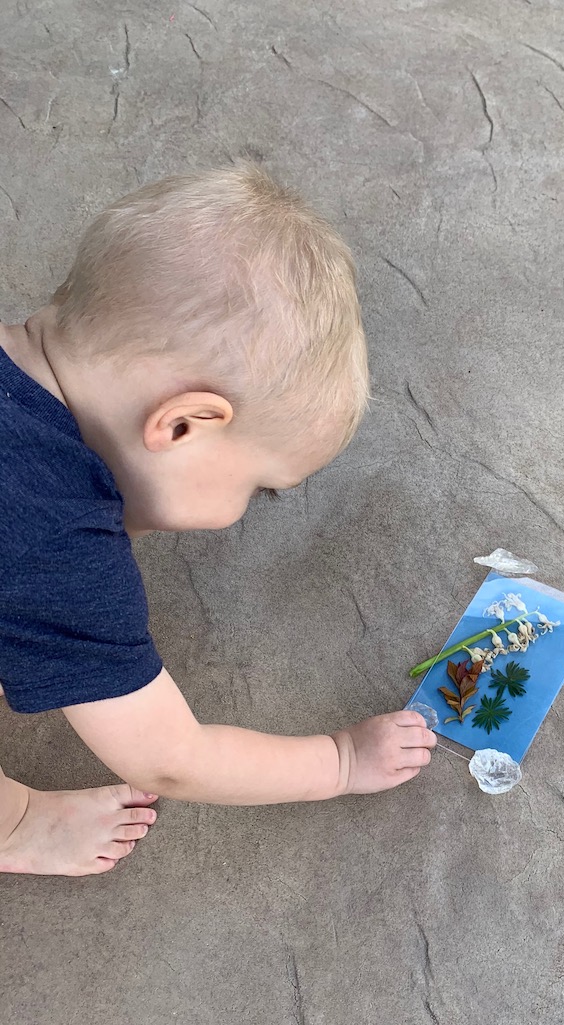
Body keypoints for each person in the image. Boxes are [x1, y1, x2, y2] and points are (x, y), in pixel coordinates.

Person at [0, 165, 436, 876]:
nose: (240, 512)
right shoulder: (57, 549)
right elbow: (169, 759)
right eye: (259, 486)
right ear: (181, 427)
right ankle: (15, 827)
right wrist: (338, 759)